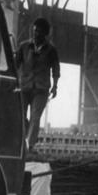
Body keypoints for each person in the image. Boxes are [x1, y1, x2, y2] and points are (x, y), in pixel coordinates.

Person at [15, 17, 60, 151]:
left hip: (41, 89)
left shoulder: (51, 50)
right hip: (24, 86)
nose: (35, 34)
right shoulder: (24, 46)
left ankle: (30, 145)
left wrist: (55, 86)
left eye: (39, 32)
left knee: (35, 117)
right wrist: (14, 81)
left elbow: (56, 69)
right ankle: (23, 138)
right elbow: (15, 64)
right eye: (34, 31)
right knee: (21, 115)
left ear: (45, 34)